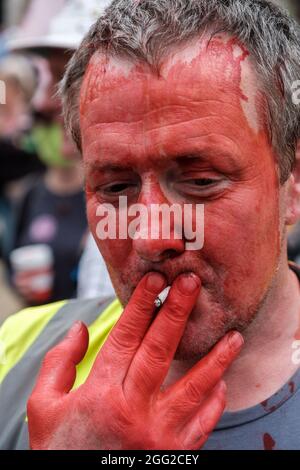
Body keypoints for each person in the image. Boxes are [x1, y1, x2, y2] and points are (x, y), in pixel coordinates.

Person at [1, 0, 300, 450]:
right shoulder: (18, 352)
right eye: (115, 187)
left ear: (292, 182)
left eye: (201, 182)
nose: (149, 236)